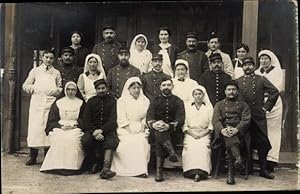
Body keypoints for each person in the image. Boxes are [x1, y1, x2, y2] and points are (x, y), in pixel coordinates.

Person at [236, 57, 279, 179]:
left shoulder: (261, 79)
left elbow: (274, 91)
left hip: (258, 117)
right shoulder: (237, 81)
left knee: (263, 143)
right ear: (242, 67)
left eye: (250, 65)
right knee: (246, 142)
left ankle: (263, 169)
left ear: (254, 66)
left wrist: (266, 107)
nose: (248, 67)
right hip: (244, 117)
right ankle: (248, 168)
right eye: (245, 65)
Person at [22, 50, 62, 165]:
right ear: (42, 58)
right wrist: (33, 89)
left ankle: (47, 157)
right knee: (35, 129)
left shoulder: (56, 72)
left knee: (48, 128)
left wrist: (55, 91)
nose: (48, 60)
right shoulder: (35, 71)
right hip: (37, 102)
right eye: (46, 57)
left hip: (50, 102)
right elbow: (26, 85)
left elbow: (60, 87)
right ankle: (33, 156)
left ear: (53, 59)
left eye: (51, 58)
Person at [40, 81, 85, 175]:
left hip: (75, 127)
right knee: (59, 138)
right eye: (68, 89)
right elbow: (52, 120)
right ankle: (55, 166)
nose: (70, 92)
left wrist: (75, 125)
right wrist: (60, 126)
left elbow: (84, 119)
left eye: (73, 90)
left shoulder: (81, 103)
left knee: (72, 139)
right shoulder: (58, 103)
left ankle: (73, 167)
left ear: (76, 91)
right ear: (65, 90)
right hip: (60, 126)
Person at [212, 80, 251, 185]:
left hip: (239, 135)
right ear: (225, 91)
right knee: (229, 137)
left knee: (230, 139)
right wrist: (222, 130)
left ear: (237, 91)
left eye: (234, 89)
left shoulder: (244, 105)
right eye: (229, 89)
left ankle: (231, 174)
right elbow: (216, 120)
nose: (231, 92)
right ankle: (237, 158)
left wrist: (236, 129)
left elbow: (246, 120)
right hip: (223, 134)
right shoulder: (219, 105)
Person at [146, 78, 185, 182]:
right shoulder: (155, 101)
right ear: (160, 87)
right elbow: (149, 116)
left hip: (173, 132)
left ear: (172, 86)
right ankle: (171, 152)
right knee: (159, 132)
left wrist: (169, 126)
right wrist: (154, 124)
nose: (166, 87)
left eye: (168, 85)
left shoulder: (178, 101)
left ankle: (159, 171)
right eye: (164, 85)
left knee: (160, 135)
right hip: (156, 130)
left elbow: (181, 118)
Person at [111, 77, 150, 177]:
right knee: (128, 142)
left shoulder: (145, 100)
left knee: (142, 141)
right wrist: (129, 129)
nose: (136, 90)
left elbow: (146, 116)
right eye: (133, 88)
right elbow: (121, 117)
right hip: (125, 128)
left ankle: (141, 170)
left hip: (140, 126)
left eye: (138, 88)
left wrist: (143, 125)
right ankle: (126, 169)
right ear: (128, 89)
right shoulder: (121, 101)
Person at [81, 79, 119, 179]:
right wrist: (94, 131)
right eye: (99, 89)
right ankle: (94, 163)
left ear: (106, 88)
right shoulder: (91, 101)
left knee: (111, 141)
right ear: (96, 90)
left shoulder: (112, 101)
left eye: (103, 88)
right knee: (86, 140)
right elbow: (86, 119)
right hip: (93, 130)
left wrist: (102, 130)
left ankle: (106, 169)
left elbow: (113, 119)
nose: (101, 90)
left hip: (107, 130)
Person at [255, 50, 284, 172]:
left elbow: (276, 89)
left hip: (274, 104)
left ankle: (271, 160)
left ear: (271, 59)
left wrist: (267, 102)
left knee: (273, 131)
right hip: (260, 104)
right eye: (261, 59)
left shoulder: (277, 72)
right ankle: (259, 159)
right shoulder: (257, 72)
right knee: (262, 131)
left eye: (266, 59)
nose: (263, 61)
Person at [182, 85, 214, 182]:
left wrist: (202, 134)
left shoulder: (208, 108)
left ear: (203, 95)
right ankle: (190, 171)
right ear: (193, 96)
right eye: (196, 94)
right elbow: (185, 124)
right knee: (191, 147)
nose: (198, 96)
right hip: (191, 133)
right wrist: (193, 134)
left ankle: (202, 172)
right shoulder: (188, 108)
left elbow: (211, 124)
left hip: (204, 133)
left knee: (203, 147)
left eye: (200, 94)